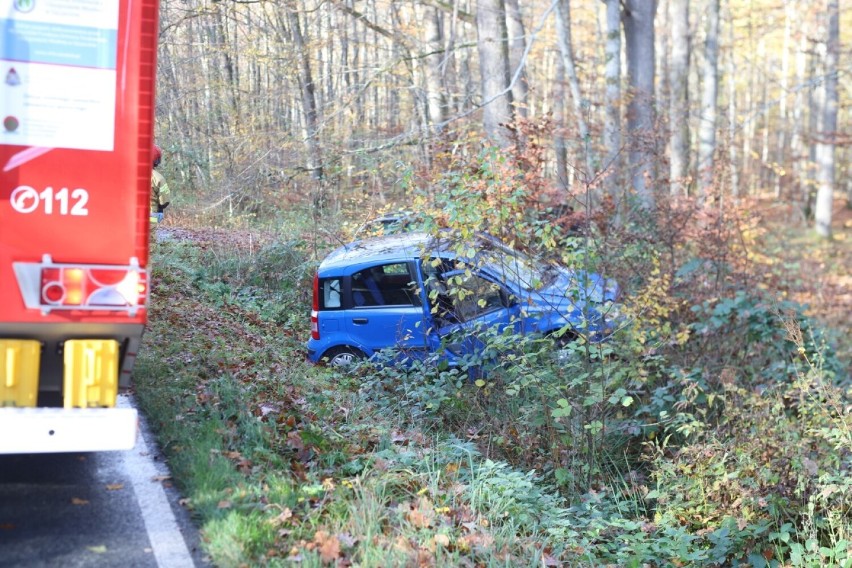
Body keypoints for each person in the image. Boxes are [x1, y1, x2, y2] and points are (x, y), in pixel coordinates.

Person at [150, 144, 171, 224]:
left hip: (129, 216)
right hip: (150, 217)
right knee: (150, 235)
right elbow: (164, 201)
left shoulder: (128, 174)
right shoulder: (158, 178)